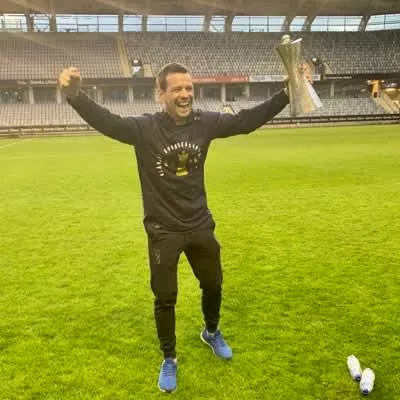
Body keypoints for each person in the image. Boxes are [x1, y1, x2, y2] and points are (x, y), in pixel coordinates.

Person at [58, 63, 290, 393]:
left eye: (189, 88)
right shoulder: (144, 128)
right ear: (161, 94)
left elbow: (245, 121)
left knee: (213, 284)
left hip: (199, 224)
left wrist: (285, 94)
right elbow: (108, 122)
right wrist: (75, 96)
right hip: (163, 229)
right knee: (165, 297)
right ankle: (169, 357)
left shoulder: (205, 122)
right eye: (177, 89)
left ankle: (211, 331)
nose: (185, 94)